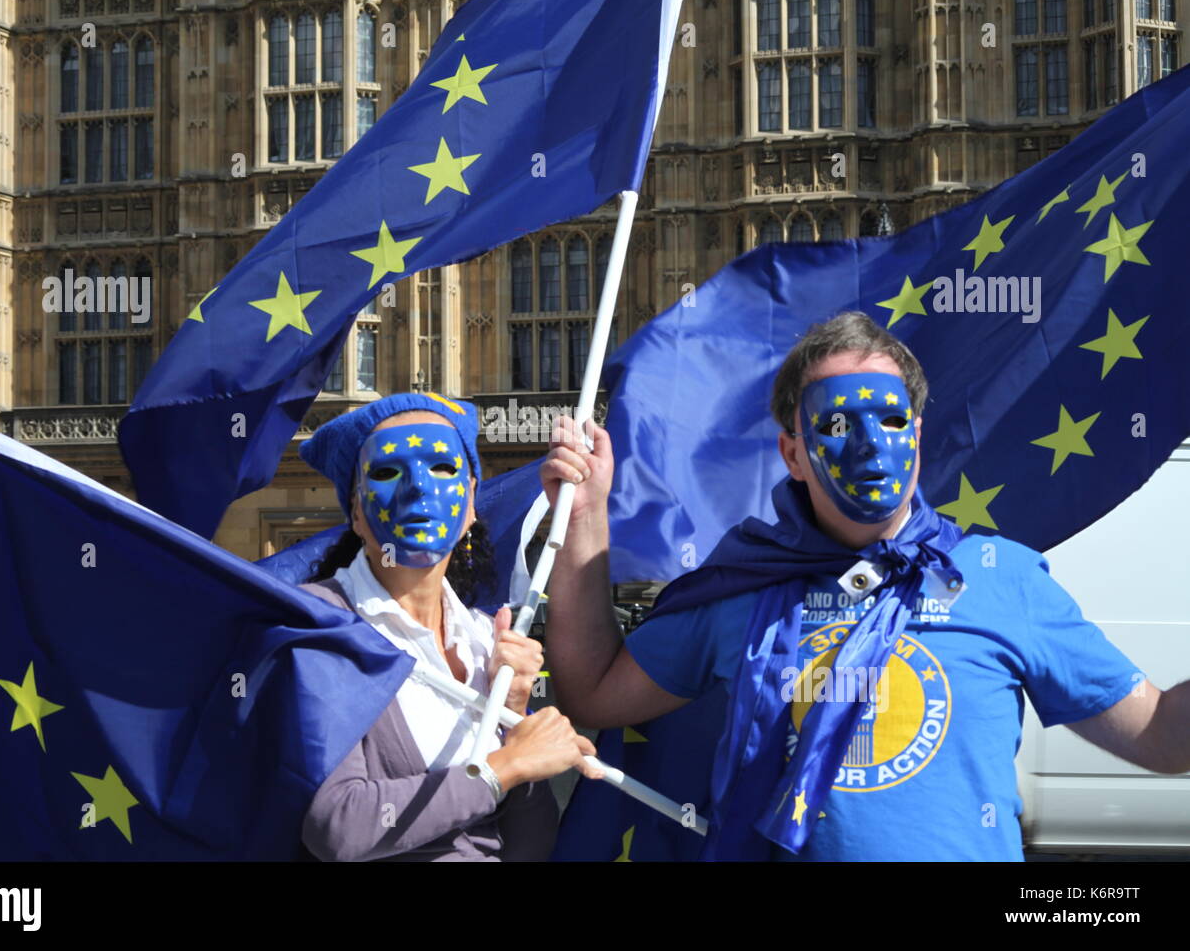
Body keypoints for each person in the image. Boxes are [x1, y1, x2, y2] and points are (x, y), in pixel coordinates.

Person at [540, 311, 1190, 861]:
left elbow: (1161, 735)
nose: (869, 445)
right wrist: (587, 513)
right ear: (793, 453)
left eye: (889, 418)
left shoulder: (1001, 577)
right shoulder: (740, 588)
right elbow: (593, 693)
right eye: (837, 424)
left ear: (917, 432)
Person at [296, 392, 598, 862]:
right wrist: (504, 766)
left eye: (441, 468)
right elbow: (337, 827)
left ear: (471, 503)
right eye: (387, 471)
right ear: (356, 511)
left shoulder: (484, 639)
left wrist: (512, 716)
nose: (418, 487)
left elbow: (529, 849)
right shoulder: (320, 627)